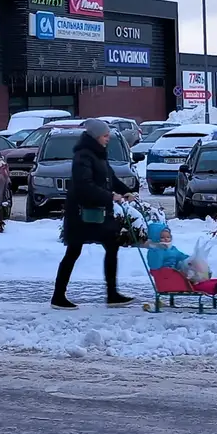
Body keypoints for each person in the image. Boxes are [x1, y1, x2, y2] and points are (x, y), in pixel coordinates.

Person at [51, 119, 137, 310]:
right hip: (80, 213)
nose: (108, 139)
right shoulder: (83, 156)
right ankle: (58, 296)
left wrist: (127, 191)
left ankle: (112, 294)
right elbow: (84, 186)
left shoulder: (99, 155)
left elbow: (110, 179)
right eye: (105, 136)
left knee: (112, 246)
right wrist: (110, 196)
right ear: (95, 136)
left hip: (98, 212)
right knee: (73, 252)